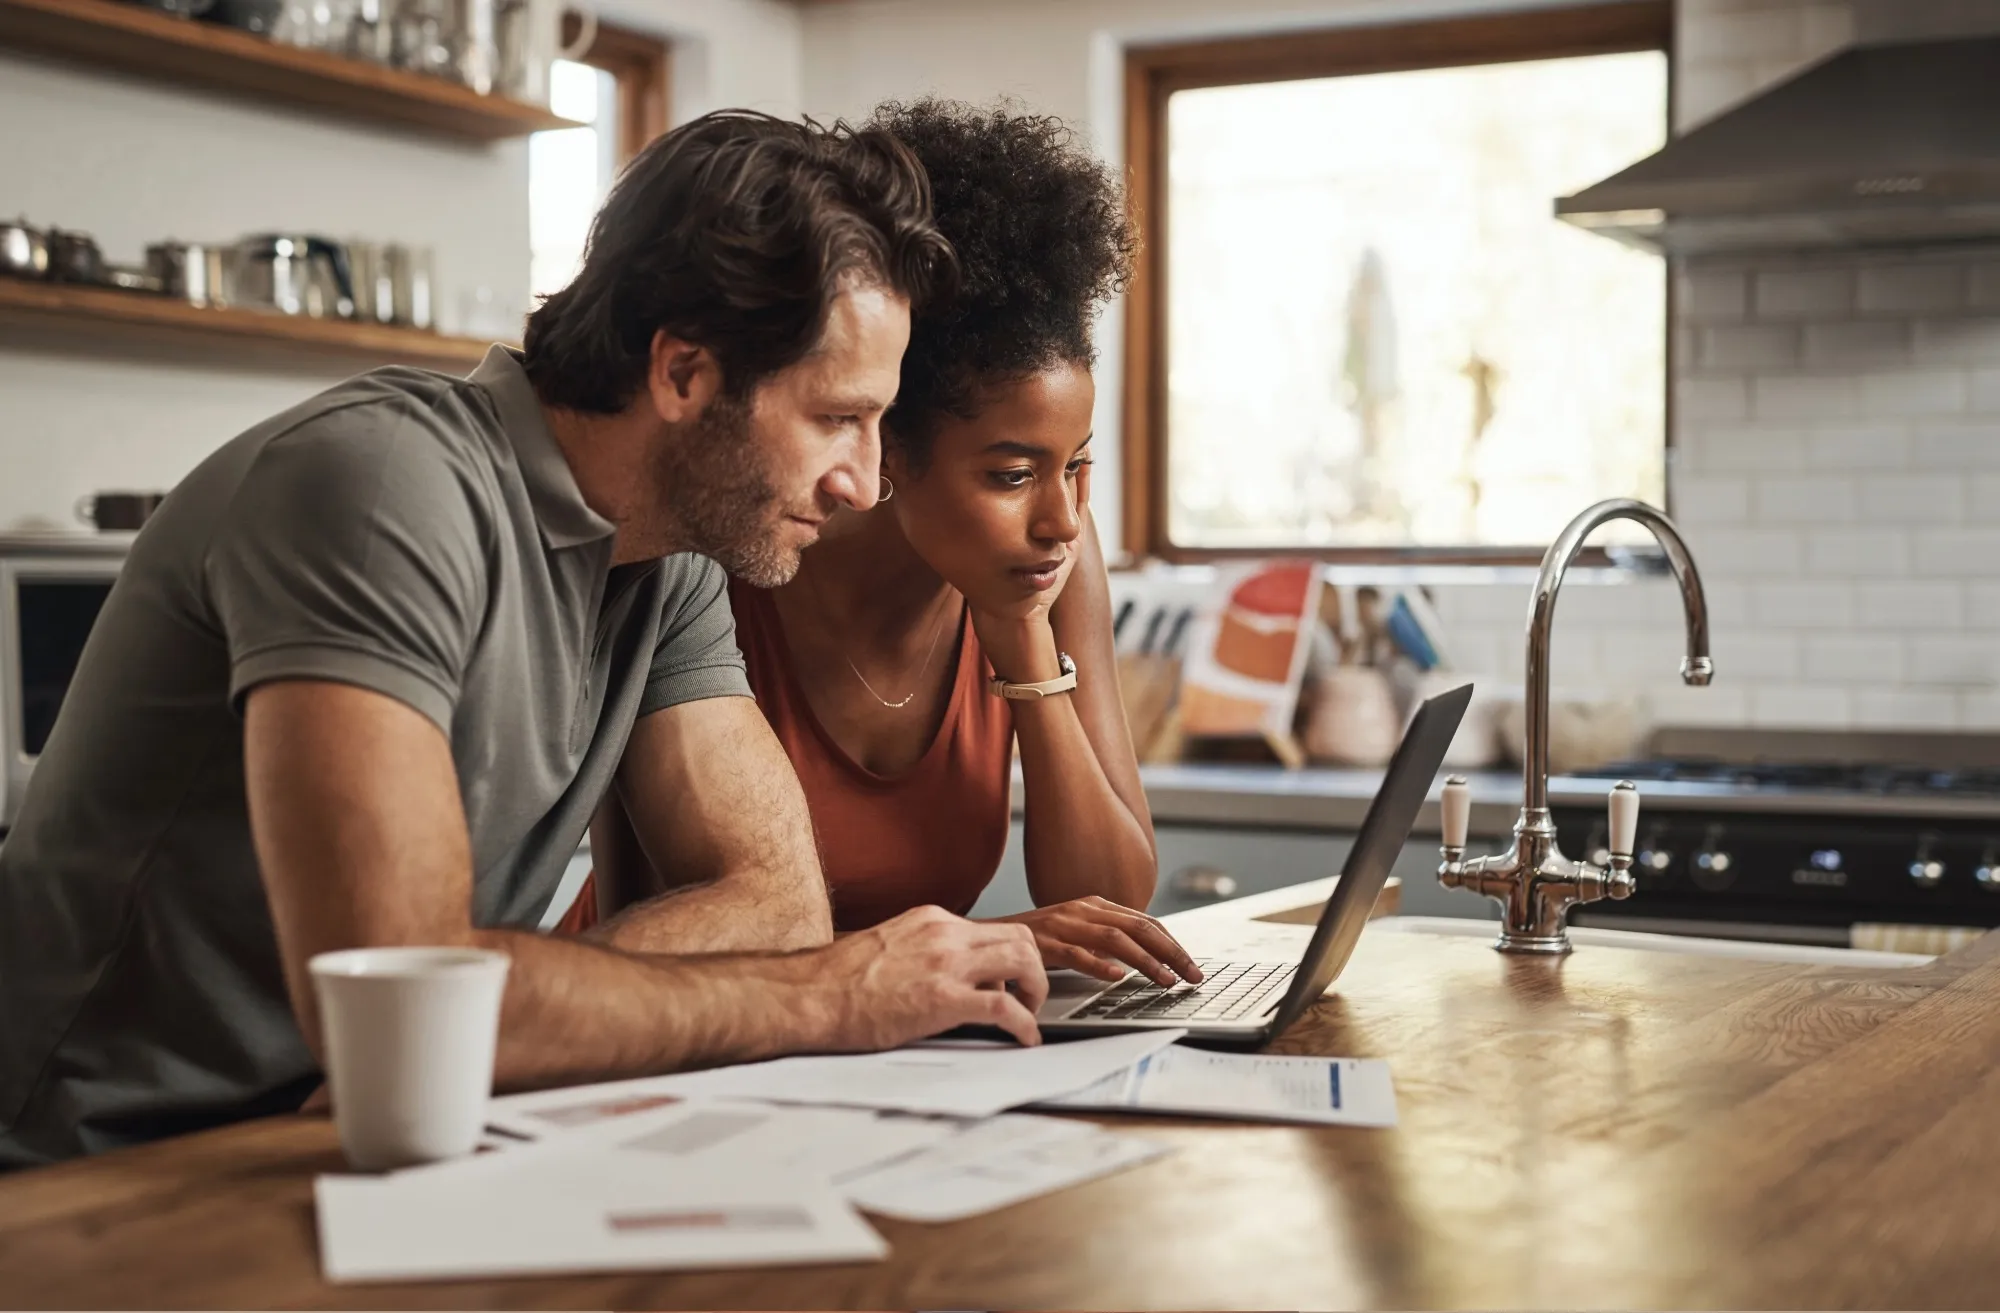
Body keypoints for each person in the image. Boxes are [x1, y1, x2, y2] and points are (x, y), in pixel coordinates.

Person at [0, 110, 1052, 1170]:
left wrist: (504, 1014)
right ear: (683, 374)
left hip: (372, 1136)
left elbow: (776, 904)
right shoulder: (380, 491)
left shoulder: (673, 556)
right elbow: (403, 993)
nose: (863, 482)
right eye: (835, 418)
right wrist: (830, 995)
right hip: (91, 1169)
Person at [581, 101, 1201, 990]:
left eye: (1079, 466)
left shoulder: (1050, 562)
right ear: (889, 445)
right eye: (1012, 474)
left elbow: (1111, 903)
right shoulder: (729, 556)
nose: (1062, 518)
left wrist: (1023, 640)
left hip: (900, 1043)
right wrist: (985, 941)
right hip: (671, 1028)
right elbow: (663, 925)